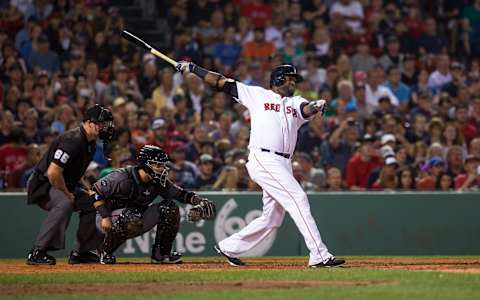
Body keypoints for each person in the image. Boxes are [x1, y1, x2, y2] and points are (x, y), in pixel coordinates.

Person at [176, 60, 345, 268]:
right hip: (264, 158)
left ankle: (229, 246)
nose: (293, 83)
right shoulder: (257, 95)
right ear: (278, 79)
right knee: (298, 198)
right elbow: (221, 82)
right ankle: (319, 254)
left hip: (284, 163)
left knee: (272, 219)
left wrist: (316, 105)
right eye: (290, 78)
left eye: (295, 80)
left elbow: (306, 109)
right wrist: (193, 69)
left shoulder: (295, 102)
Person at [89, 145, 216, 264]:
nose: (162, 168)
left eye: (163, 165)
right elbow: (94, 190)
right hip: (107, 216)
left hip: (135, 216)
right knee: (132, 216)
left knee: (169, 208)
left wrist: (200, 201)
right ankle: (104, 251)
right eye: (158, 165)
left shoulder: (157, 181)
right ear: (145, 165)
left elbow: (181, 194)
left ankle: (161, 254)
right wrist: (105, 217)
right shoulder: (122, 178)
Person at [26, 104, 114, 265]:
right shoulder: (72, 140)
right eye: (101, 123)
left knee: (96, 203)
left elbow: (76, 173)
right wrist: (67, 193)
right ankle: (37, 252)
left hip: (64, 182)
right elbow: (53, 173)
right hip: (43, 184)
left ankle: (81, 252)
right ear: (88, 122)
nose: (104, 127)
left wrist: (89, 191)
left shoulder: (90, 143)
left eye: (106, 124)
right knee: (65, 203)